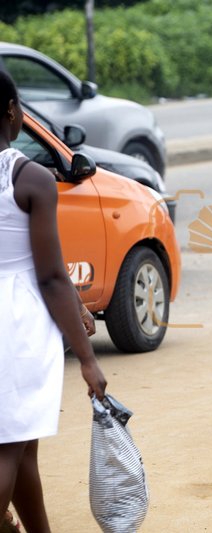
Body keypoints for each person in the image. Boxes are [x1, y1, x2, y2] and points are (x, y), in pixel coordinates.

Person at [0, 71, 107, 532]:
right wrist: (87, 360)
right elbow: (47, 275)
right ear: (11, 111)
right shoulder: (31, 178)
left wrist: (79, 306)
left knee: (22, 444)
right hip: (16, 323)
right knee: (8, 447)